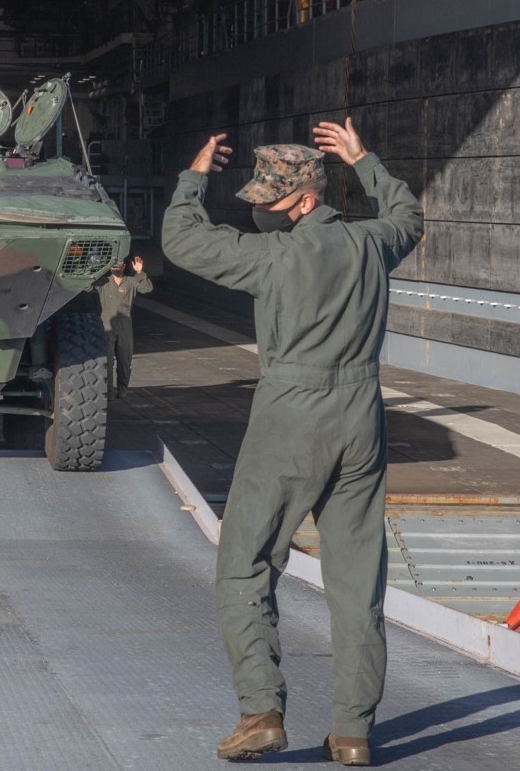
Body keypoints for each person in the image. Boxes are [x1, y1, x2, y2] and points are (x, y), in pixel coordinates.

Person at [160, 120, 422, 766]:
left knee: (245, 564)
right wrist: (365, 161)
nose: (258, 213)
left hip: (290, 414)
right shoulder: (370, 244)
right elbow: (409, 217)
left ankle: (261, 712)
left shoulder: (270, 257)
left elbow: (180, 239)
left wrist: (194, 176)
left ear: (304, 200)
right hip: (362, 415)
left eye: (268, 203)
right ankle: (354, 733)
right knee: (357, 582)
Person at [94, 256, 151, 398]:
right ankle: (109, 390)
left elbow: (146, 288)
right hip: (107, 323)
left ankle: (122, 388)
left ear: (124, 267)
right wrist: (96, 269)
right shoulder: (104, 282)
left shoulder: (131, 282)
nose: (116, 270)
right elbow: (87, 286)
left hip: (125, 323)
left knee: (125, 358)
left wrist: (140, 272)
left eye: (118, 268)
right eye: (113, 268)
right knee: (107, 359)